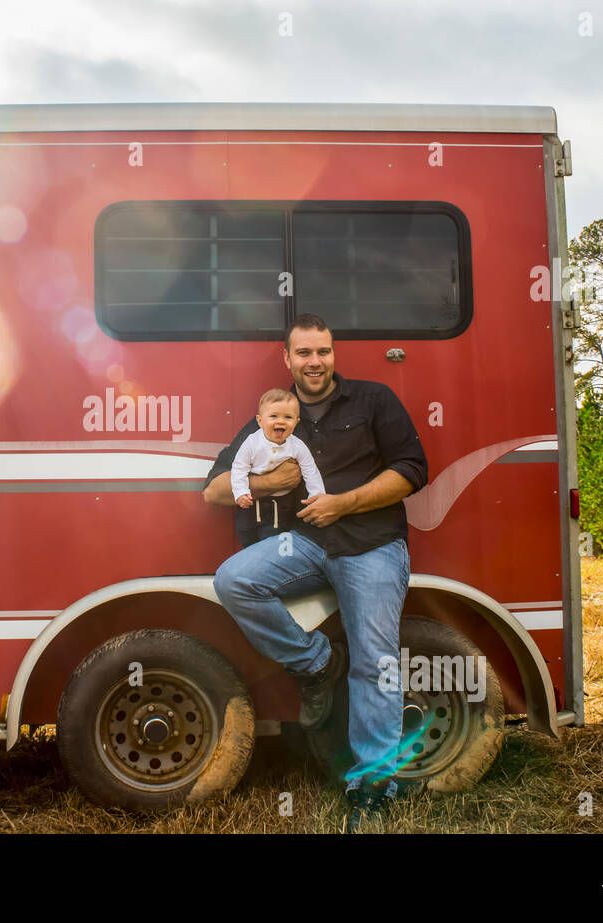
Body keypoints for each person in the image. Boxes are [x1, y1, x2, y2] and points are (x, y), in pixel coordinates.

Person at [202, 313, 428, 832]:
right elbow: (214, 489)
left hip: (370, 544)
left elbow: (413, 469)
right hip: (303, 544)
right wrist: (268, 482)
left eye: (322, 351)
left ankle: (372, 786)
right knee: (234, 581)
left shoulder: (373, 401)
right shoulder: (270, 417)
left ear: (334, 354)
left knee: (376, 660)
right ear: (287, 359)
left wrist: (344, 503)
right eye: (303, 353)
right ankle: (318, 664)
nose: (314, 362)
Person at [230, 389, 326, 545]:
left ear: (296, 422)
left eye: (288, 417)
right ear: (260, 421)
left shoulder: (297, 446)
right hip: (252, 500)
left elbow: (311, 471)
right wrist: (241, 492)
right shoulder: (252, 442)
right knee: (245, 532)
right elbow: (239, 468)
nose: (280, 421)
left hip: (281, 504)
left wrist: (317, 495)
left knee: (275, 537)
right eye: (273, 416)